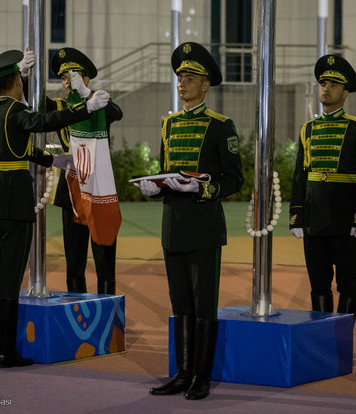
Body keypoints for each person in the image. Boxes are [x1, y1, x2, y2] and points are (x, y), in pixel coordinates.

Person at [0, 50, 109, 368]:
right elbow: (44, 121)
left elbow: (15, 148)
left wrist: (51, 160)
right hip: (12, 200)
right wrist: (85, 107)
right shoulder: (16, 112)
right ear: (18, 83)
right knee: (8, 281)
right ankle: (5, 353)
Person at [135, 42, 243, 400]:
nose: (182, 83)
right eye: (180, 77)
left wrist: (202, 188)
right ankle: (182, 373)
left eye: (190, 77)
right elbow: (167, 171)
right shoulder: (168, 124)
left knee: (203, 303)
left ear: (206, 85)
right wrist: (155, 185)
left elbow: (233, 179)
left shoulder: (221, 126)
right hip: (174, 223)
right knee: (180, 302)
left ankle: (202, 376)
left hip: (204, 224)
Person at [288, 54, 356, 322]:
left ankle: (343, 339)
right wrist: (296, 216)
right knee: (318, 283)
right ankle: (322, 336)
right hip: (315, 220)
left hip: (345, 219)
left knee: (348, 283)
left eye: (333, 85)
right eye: (323, 84)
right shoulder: (308, 129)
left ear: (345, 92)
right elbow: (299, 178)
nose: (325, 89)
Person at [47, 47, 123, 294]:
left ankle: (106, 310)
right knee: (74, 261)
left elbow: (117, 113)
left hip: (99, 189)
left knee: (104, 258)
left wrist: (86, 93)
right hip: (71, 191)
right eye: (65, 77)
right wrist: (24, 77)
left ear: (86, 78)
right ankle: (75, 311)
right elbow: (33, 101)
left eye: (74, 75)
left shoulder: (97, 100)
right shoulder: (59, 106)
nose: (68, 81)